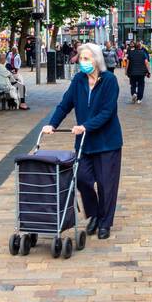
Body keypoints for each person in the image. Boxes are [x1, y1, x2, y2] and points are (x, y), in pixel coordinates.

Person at [43, 43, 122, 240]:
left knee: (106, 184)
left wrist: (86, 126)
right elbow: (65, 104)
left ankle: (105, 222)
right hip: (84, 143)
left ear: (96, 60)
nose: (82, 62)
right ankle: (94, 213)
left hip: (107, 142)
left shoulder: (110, 81)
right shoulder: (78, 80)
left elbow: (107, 112)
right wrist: (52, 124)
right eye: (81, 58)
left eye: (86, 58)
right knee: (82, 179)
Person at [125, 39, 150, 103]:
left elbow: (127, 62)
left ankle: (134, 93)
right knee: (141, 85)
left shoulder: (131, 53)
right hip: (141, 72)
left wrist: (126, 70)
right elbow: (146, 62)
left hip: (132, 72)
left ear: (134, 47)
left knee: (133, 84)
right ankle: (139, 99)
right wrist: (148, 71)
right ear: (139, 47)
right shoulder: (143, 53)